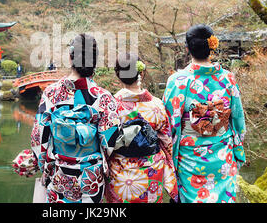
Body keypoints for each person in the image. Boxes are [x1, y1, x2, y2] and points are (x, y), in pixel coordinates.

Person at [29, 33, 121, 203]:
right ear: (94, 62)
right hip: (91, 176)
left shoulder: (51, 93)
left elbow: (38, 138)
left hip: (60, 172)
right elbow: (111, 140)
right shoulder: (103, 97)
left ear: (71, 58)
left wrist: (46, 167)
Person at [163, 24, 246, 203]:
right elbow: (238, 119)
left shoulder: (177, 81)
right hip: (222, 154)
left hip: (190, 158)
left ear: (187, 49)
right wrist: (237, 143)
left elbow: (169, 126)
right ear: (212, 47)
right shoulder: (227, 78)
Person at [105, 53, 178, 203]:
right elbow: (167, 141)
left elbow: (105, 143)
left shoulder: (111, 106)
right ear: (142, 73)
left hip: (120, 172)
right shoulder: (157, 105)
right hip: (151, 170)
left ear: (118, 76)